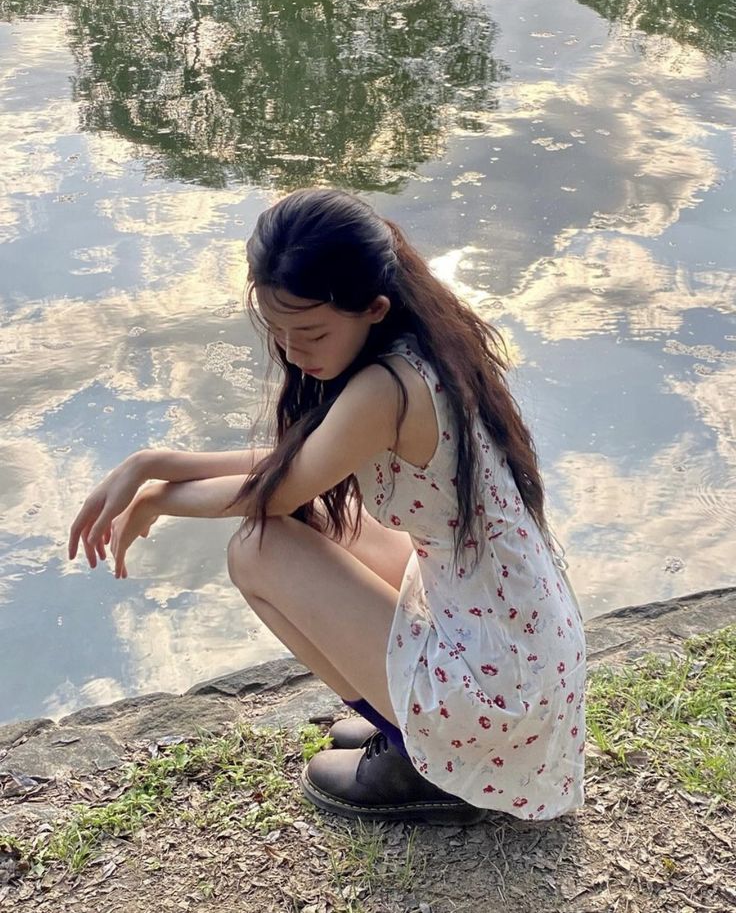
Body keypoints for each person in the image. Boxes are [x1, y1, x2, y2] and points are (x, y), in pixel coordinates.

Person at [68, 188, 586, 826]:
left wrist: (160, 500)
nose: (291, 351)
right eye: (276, 330)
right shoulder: (425, 348)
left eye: (309, 331)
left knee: (257, 547)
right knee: (317, 520)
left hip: (500, 691)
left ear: (373, 307)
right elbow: (299, 462)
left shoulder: (384, 390)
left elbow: (275, 491)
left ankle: (419, 760)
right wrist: (155, 465)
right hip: (522, 652)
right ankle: (412, 725)